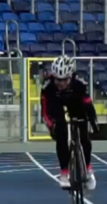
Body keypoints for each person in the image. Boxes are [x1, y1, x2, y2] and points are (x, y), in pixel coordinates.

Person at [40, 55, 100, 190]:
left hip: (75, 102)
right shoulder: (48, 86)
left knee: (84, 136)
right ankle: (64, 172)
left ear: (70, 76)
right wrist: (51, 126)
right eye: (58, 80)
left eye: (64, 80)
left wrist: (94, 122)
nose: (61, 83)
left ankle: (88, 169)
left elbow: (88, 105)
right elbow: (45, 111)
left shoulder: (79, 83)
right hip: (56, 103)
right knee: (61, 134)